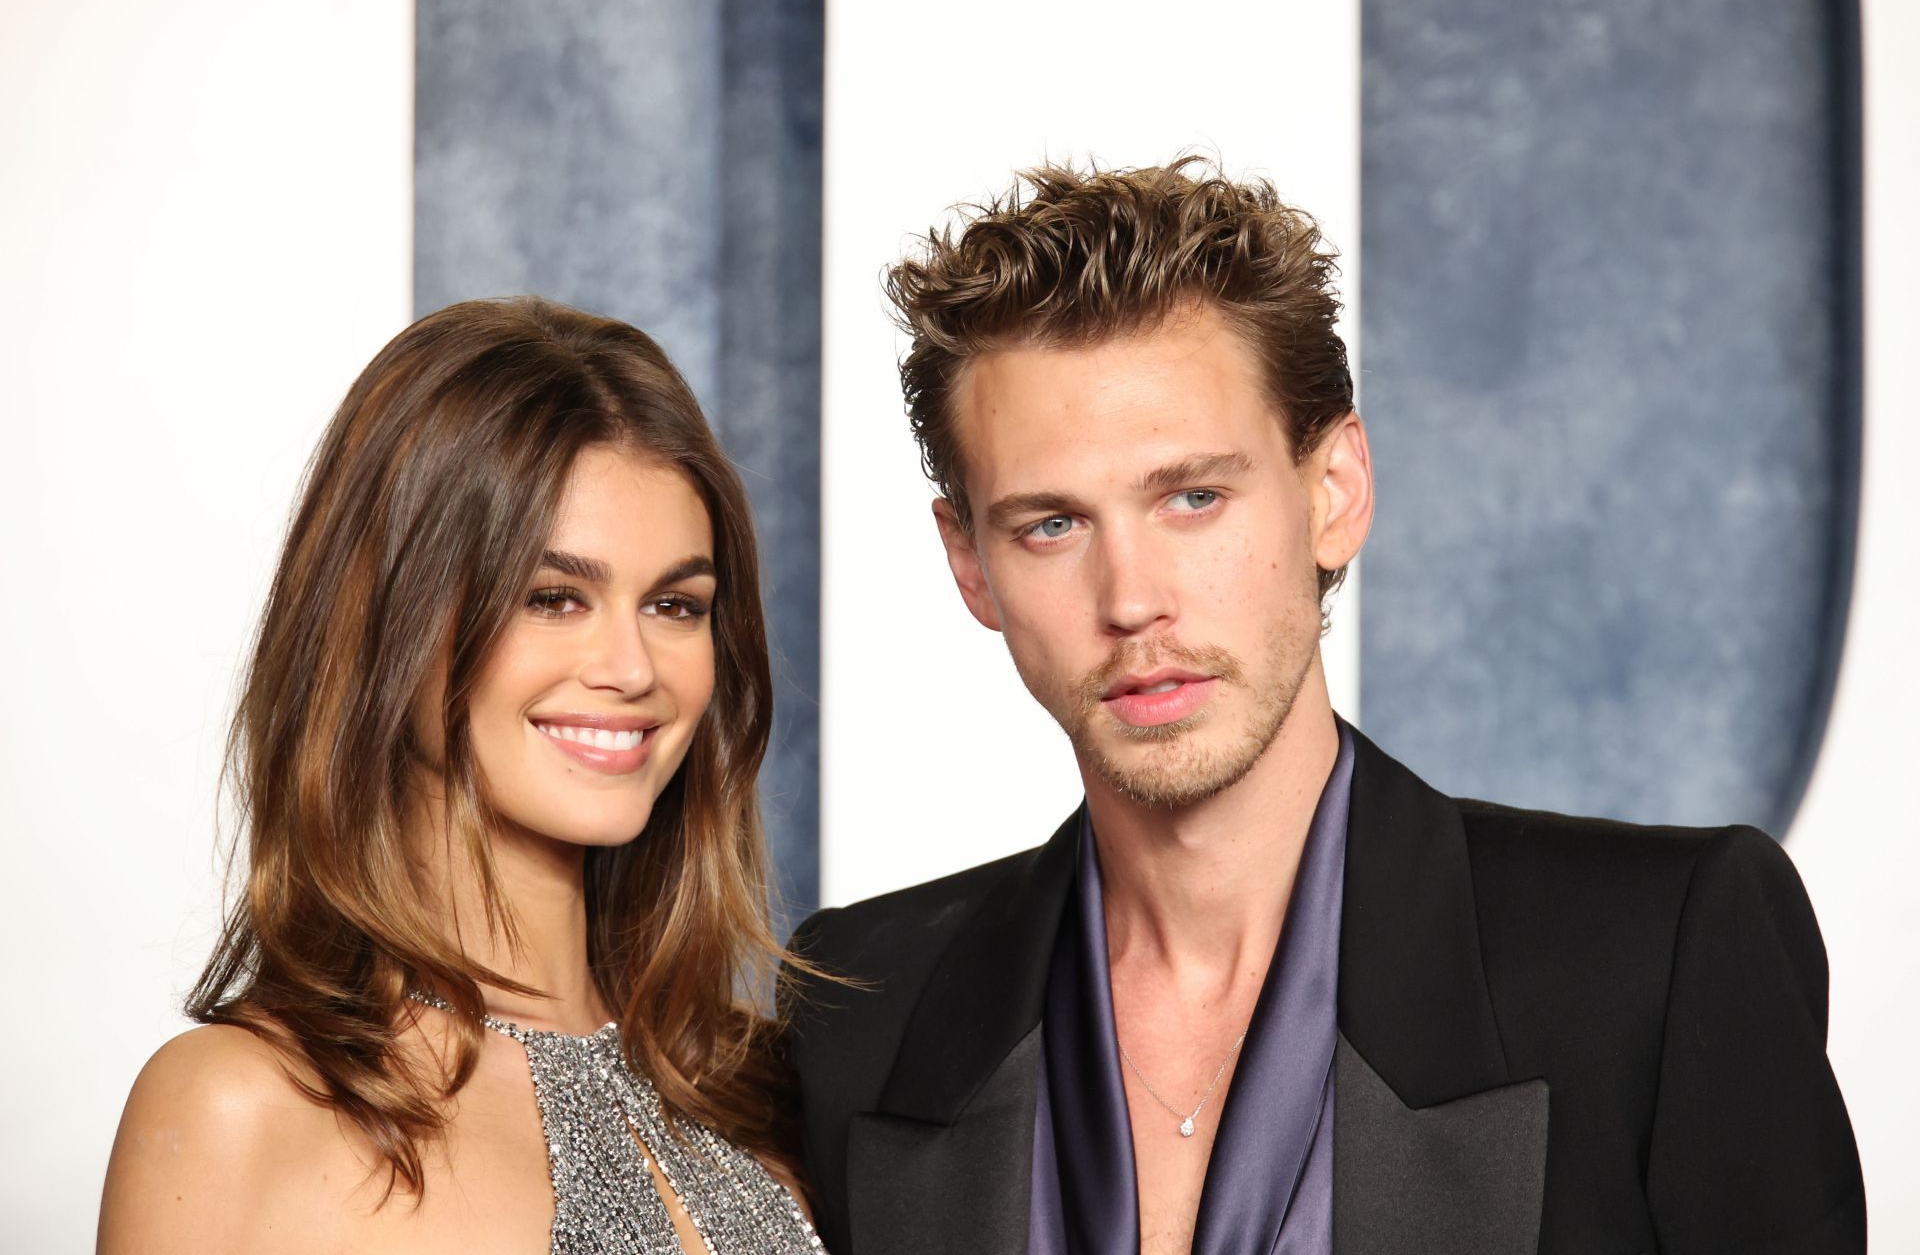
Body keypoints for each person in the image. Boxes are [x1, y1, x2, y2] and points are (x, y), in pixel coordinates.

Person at [784, 161, 1865, 1254]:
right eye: (1051, 525)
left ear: (1333, 491)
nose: (1132, 599)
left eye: (1193, 496)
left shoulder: (1657, 956)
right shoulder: (859, 1013)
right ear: (970, 563)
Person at [99, 298, 823, 1254]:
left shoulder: (770, 1093)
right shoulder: (242, 1111)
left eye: (675, 605)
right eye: (554, 597)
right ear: (389, 622)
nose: (634, 667)